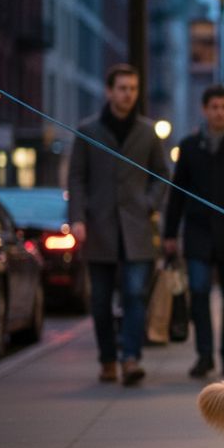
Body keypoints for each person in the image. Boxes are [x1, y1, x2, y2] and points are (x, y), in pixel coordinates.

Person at [68, 64, 169, 385]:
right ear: (109, 91)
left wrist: (149, 203)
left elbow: (162, 174)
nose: (128, 94)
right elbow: (77, 178)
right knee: (99, 300)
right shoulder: (88, 130)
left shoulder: (148, 131)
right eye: (122, 88)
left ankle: (130, 359)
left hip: (137, 229)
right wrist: (78, 219)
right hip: (100, 227)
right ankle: (108, 359)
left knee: (135, 296)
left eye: (133, 88)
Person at [163, 84, 224, 378]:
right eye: (214, 107)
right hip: (198, 233)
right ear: (204, 110)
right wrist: (170, 234)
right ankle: (204, 355)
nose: (219, 112)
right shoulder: (191, 146)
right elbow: (177, 193)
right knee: (199, 291)